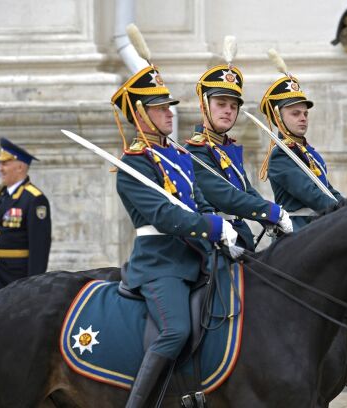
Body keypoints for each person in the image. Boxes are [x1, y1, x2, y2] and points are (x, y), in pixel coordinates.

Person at [111, 61, 237, 407]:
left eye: (168, 106)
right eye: (160, 108)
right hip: (160, 263)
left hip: (198, 256)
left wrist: (220, 228)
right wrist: (211, 226)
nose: (169, 113)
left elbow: (198, 202)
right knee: (175, 330)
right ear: (140, 116)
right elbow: (164, 216)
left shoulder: (178, 156)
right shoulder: (132, 166)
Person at [185, 42, 292, 249]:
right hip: (213, 242)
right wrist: (269, 212)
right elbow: (226, 196)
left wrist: (273, 217)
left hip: (240, 235)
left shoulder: (227, 149)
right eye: (221, 104)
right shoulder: (195, 152)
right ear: (204, 105)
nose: (228, 110)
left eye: (233, 106)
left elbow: (246, 190)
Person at [258, 50, 344, 231]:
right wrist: (343, 213)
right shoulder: (281, 155)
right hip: (298, 232)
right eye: (295, 113)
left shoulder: (308, 152)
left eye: (305, 113)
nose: (303, 118)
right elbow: (311, 195)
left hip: (317, 226)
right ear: (278, 117)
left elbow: (327, 190)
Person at [0, 138, 51, 290]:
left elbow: (39, 246)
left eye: (5, 163)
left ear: (20, 167)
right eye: (0, 163)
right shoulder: (2, 194)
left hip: (18, 274)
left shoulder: (34, 198)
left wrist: (33, 283)